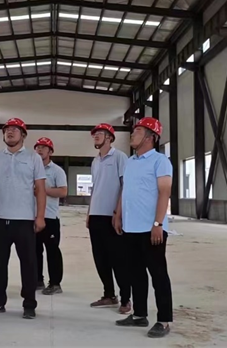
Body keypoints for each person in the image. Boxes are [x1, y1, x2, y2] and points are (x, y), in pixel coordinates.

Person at [0, 117, 47, 320]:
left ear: (23, 135)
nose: (9, 132)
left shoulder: (33, 158)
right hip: (1, 220)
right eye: (7, 129)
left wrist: (40, 216)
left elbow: (40, 189)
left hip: (24, 221)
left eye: (14, 130)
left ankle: (29, 304)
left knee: (28, 265)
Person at [114, 118, 173, 338]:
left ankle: (164, 320)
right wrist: (118, 214)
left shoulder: (160, 161)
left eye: (137, 130)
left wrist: (158, 223)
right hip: (131, 228)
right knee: (136, 274)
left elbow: (165, 192)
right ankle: (139, 314)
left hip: (151, 229)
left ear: (150, 137)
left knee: (158, 275)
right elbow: (125, 190)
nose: (132, 134)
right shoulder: (130, 162)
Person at [87, 123, 130, 313]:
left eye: (100, 133)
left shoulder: (119, 157)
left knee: (118, 259)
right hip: (96, 216)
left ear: (110, 138)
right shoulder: (95, 161)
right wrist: (89, 213)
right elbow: (95, 188)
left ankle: (126, 299)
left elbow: (124, 186)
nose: (96, 136)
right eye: (95, 134)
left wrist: (118, 213)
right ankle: (109, 295)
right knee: (100, 258)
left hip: (111, 216)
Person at [33, 137, 68, 295]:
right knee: (34, 251)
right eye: (38, 147)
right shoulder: (31, 169)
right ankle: (37, 280)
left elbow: (63, 191)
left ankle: (55, 283)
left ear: (50, 152)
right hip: (32, 216)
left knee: (52, 251)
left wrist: (42, 190)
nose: (40, 150)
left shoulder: (56, 171)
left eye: (44, 147)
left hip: (50, 217)